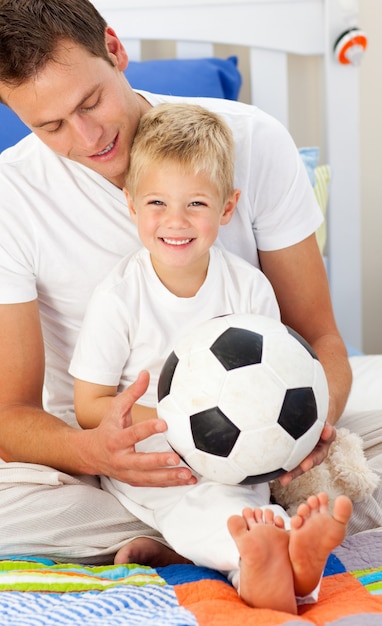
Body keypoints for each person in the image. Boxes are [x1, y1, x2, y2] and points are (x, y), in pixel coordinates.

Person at [0, 0, 375, 563]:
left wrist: (304, 428)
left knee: (359, 453)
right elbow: (12, 417)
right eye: (50, 126)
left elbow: (320, 340)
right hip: (107, 457)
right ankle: (226, 534)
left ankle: (199, 534)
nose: (87, 136)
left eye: (90, 100)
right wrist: (96, 453)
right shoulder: (14, 196)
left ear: (115, 48)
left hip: (264, 436)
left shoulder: (250, 142)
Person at [69, 102, 353, 611]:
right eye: (157, 202)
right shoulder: (119, 297)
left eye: (196, 204)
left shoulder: (249, 288)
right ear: (131, 206)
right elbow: (89, 403)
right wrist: (173, 426)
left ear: (227, 208)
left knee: (240, 498)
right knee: (200, 505)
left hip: (234, 455)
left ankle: (275, 561)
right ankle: (276, 564)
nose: (175, 221)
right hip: (154, 458)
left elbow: (278, 379)